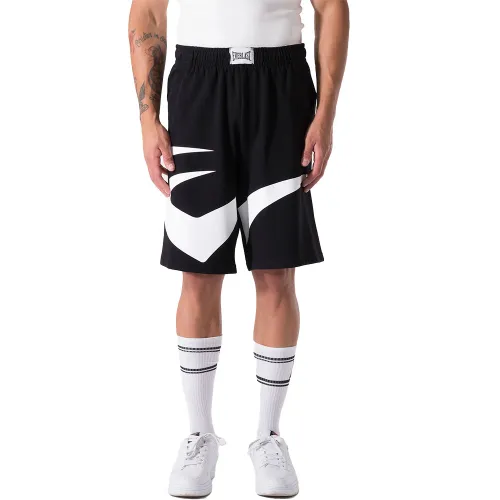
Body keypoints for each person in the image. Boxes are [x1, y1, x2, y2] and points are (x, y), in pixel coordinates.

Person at [128, 0, 349, 496]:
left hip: (281, 83)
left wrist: (326, 113)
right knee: (198, 269)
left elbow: (332, 5)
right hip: (199, 84)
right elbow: (147, 13)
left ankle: (269, 436)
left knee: (276, 271)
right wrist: (148, 118)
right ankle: (199, 435)